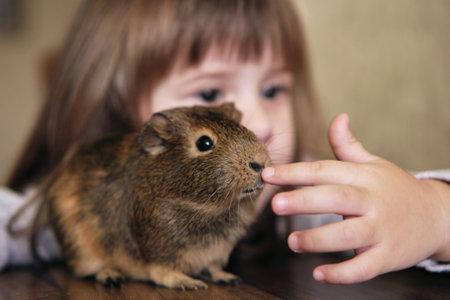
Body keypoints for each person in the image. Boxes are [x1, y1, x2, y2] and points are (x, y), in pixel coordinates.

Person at [1, 0, 448, 285]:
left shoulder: (295, 201)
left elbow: (383, 213)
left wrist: (433, 213)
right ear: (141, 130)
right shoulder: (87, 195)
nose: (255, 124)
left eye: (273, 90)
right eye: (211, 95)